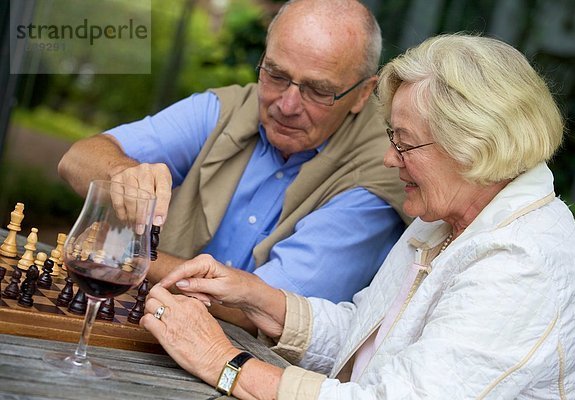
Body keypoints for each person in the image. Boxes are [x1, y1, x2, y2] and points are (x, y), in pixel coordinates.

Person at [140, 33, 575, 399]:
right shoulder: (443, 218)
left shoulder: (523, 264)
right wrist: (256, 296)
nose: (388, 158)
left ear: (473, 147)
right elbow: (363, 338)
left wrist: (225, 362)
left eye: (404, 142)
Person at [57, 0, 408, 304]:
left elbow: (266, 304)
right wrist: (121, 174)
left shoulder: (380, 170)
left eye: (317, 90)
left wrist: (131, 256)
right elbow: (77, 159)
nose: (286, 105)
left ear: (363, 93)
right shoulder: (224, 109)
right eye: (276, 75)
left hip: (255, 368)